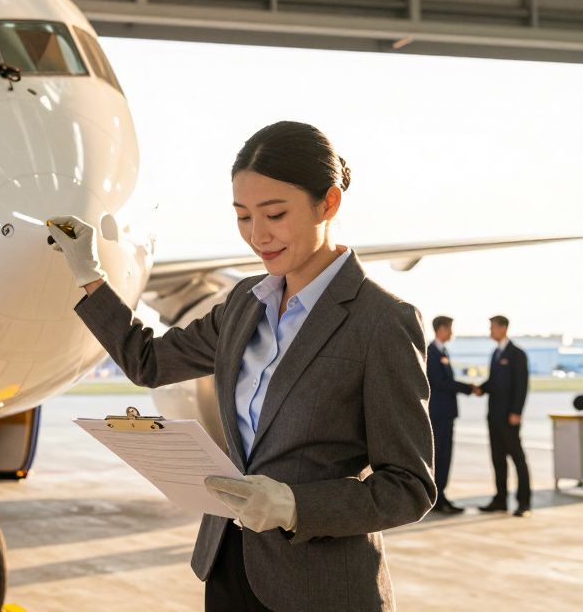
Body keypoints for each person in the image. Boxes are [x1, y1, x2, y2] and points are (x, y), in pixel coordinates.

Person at [48, 121, 434, 612]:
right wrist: (90, 276)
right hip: (228, 570)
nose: (258, 235)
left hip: (320, 589)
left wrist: (294, 507)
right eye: (243, 216)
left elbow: (409, 487)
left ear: (329, 203)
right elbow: (147, 361)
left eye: (274, 214)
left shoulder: (382, 322)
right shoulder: (243, 305)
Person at [478, 314, 532, 517]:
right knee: (498, 459)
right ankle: (500, 499)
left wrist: (516, 412)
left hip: (510, 417)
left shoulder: (517, 354)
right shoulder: (495, 354)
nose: (490, 331)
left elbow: (522, 385)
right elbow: (493, 383)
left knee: (518, 459)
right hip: (494, 416)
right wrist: (478, 389)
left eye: (492, 327)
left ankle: (524, 502)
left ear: (503, 328)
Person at [427, 315, 479, 514]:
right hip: (439, 414)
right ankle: (437, 498)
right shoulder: (431, 353)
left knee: (445, 456)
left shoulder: (443, 351)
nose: (452, 333)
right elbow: (440, 383)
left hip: (446, 413)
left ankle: (441, 495)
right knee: (439, 456)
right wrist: (468, 388)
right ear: (441, 329)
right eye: (450, 328)